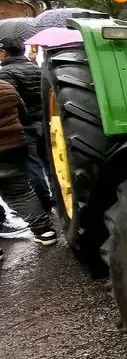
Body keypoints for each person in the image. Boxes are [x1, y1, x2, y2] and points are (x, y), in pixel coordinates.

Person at [0, 79, 56, 245]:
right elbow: (23, 115)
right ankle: (44, 231)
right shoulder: (6, 86)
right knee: (21, 192)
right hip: (13, 148)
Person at [0, 37, 51, 210]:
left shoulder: (5, 74)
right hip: (44, 121)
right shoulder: (34, 67)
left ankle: (43, 202)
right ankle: (57, 198)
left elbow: (12, 104)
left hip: (25, 125)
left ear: (4, 52)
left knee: (33, 166)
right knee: (48, 162)